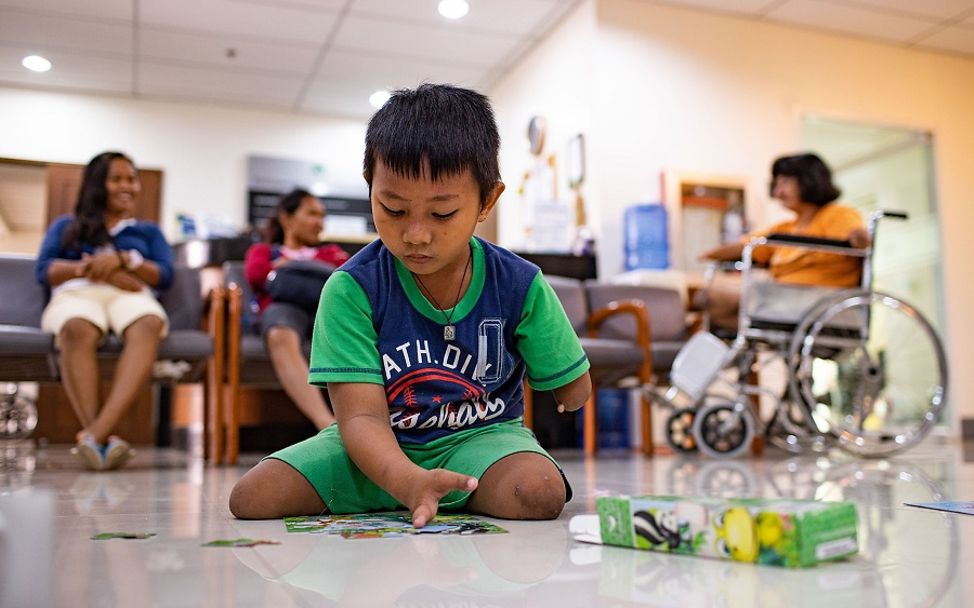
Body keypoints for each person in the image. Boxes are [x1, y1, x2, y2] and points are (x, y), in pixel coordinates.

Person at [229, 84, 592, 527]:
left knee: (537, 493)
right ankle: (418, 490)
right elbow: (361, 417)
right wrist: (406, 479)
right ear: (371, 189)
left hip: (482, 439)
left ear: (487, 201)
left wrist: (569, 383)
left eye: (442, 214)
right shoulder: (351, 289)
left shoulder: (520, 282)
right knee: (252, 497)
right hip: (376, 443)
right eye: (393, 209)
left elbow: (574, 388)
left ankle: (444, 488)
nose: (416, 235)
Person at [35, 151, 173, 470]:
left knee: (149, 322)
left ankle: (93, 435)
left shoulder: (148, 232)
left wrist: (126, 261)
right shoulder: (67, 226)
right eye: (117, 179)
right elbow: (45, 270)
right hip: (78, 293)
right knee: (76, 328)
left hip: (130, 294)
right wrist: (97, 269)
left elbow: (165, 274)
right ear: (98, 185)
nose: (128, 186)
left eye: (132, 179)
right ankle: (103, 440)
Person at [699, 152, 867, 330]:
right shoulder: (785, 229)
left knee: (713, 299)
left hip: (818, 299)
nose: (778, 192)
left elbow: (858, 238)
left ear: (808, 181)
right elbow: (745, 246)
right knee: (711, 309)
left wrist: (859, 238)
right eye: (776, 184)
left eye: (785, 183)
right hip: (783, 297)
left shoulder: (836, 215)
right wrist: (708, 254)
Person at [243, 189, 349, 430]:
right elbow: (256, 275)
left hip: (327, 310)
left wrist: (293, 265)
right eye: (312, 213)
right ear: (287, 218)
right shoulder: (264, 251)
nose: (319, 222)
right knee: (280, 332)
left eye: (322, 215)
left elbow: (350, 279)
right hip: (284, 310)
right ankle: (327, 424)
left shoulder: (332, 252)